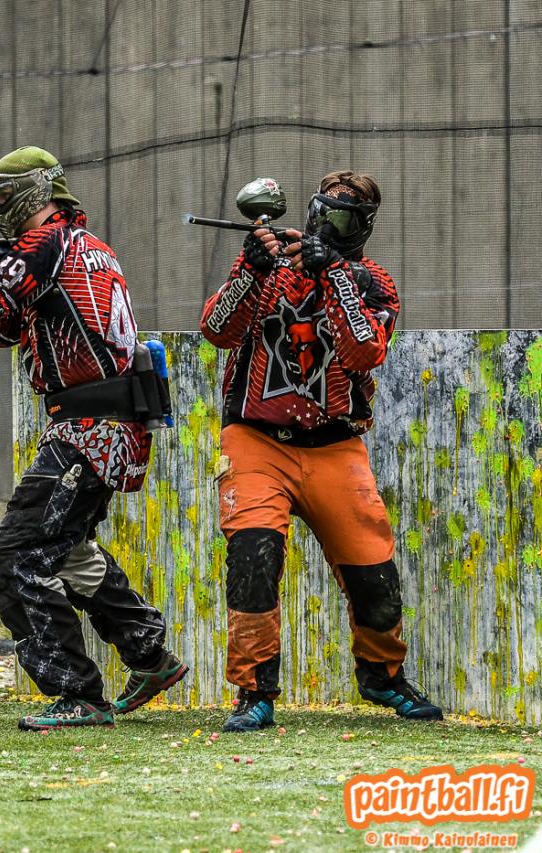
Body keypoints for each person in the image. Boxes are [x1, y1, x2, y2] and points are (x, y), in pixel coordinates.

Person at [0, 146, 187, 730]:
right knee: (68, 551)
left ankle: (77, 693)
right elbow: (5, 326)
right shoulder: (79, 244)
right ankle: (148, 655)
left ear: (38, 191)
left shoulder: (46, 244)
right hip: (102, 422)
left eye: (4, 195)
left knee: (15, 559)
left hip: (91, 428)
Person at [200, 171, 443, 732]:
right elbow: (216, 329)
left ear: (363, 227)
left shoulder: (371, 281)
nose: (327, 224)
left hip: (336, 447)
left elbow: (365, 352)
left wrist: (332, 272)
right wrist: (250, 270)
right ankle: (254, 691)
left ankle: (382, 677)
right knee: (253, 559)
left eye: (343, 217)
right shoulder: (270, 267)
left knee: (374, 574)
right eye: (322, 211)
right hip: (256, 440)